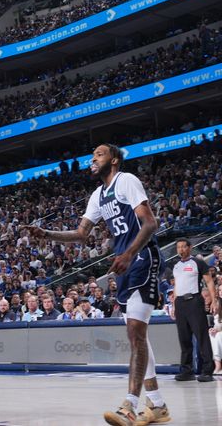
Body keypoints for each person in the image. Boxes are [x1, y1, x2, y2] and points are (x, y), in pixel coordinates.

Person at [27, 143, 168, 426]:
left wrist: (128, 253)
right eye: (91, 156)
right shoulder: (98, 195)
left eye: (99, 155)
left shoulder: (126, 181)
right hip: (126, 264)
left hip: (141, 258)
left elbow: (150, 223)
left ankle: (130, 406)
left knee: (135, 334)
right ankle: (158, 405)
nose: (92, 159)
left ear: (114, 160)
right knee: (137, 336)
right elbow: (81, 234)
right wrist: (46, 234)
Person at [169, 238, 217, 382]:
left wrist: (214, 301)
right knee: (184, 338)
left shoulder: (198, 262)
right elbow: (176, 286)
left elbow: (209, 281)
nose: (181, 250)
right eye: (178, 247)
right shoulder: (176, 266)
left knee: (201, 336)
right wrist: (174, 305)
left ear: (190, 248)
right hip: (180, 303)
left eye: (184, 247)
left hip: (194, 301)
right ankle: (186, 370)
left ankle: (208, 370)